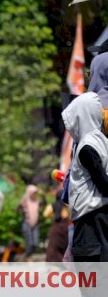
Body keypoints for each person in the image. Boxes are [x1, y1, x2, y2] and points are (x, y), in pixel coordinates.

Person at [61, 92, 108, 262]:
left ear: (81, 116)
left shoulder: (87, 146)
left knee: (92, 277)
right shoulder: (102, 140)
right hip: (101, 215)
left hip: (91, 218)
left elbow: (103, 183)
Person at [19, 185, 41, 262]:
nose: (34, 194)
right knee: (29, 242)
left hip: (35, 224)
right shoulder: (25, 201)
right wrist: (21, 205)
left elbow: (45, 202)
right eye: (33, 193)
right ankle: (28, 257)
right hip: (26, 223)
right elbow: (17, 210)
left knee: (35, 242)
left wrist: (42, 193)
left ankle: (26, 256)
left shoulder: (37, 202)